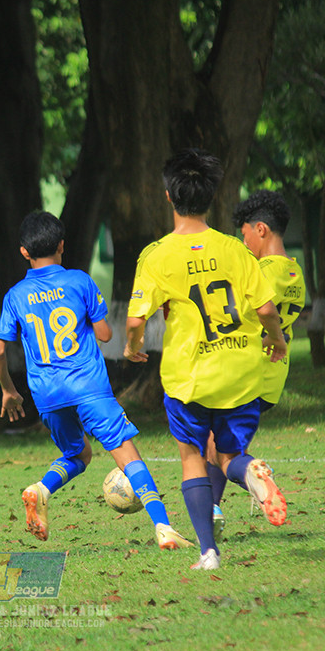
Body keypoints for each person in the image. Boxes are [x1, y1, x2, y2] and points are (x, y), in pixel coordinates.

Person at [124, 148, 288, 570]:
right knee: (230, 457)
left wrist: (131, 345)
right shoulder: (235, 249)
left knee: (193, 457)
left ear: (167, 197)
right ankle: (251, 472)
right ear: (211, 198)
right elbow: (267, 311)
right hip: (241, 371)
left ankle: (208, 553)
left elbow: (135, 318)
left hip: (190, 377)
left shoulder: (157, 255)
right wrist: (278, 342)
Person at [0, 210, 193, 550]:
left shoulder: (15, 295)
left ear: (24, 252)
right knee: (128, 455)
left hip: (47, 394)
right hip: (89, 388)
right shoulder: (80, 281)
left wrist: (9, 390)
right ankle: (163, 528)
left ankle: (41, 489)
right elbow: (103, 333)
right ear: (62, 245)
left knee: (79, 455)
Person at [208, 190, 307, 535]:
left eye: (244, 233)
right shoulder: (294, 273)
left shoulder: (262, 270)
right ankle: (214, 512)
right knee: (223, 445)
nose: (243, 240)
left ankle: (244, 491)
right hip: (272, 379)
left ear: (260, 229)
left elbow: (241, 315)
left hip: (247, 374)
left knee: (216, 447)